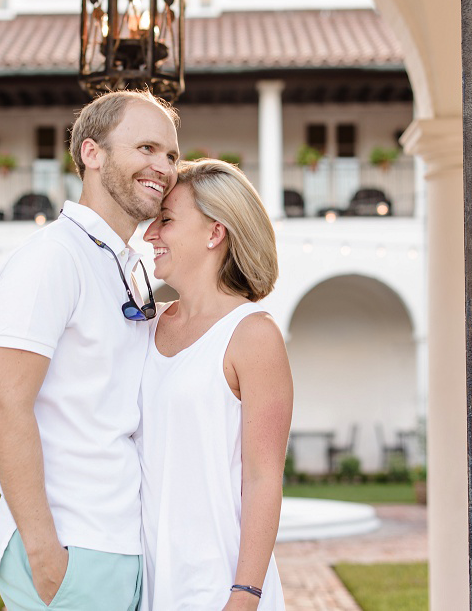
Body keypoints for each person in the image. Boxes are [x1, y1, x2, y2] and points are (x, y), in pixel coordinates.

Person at [0, 90, 180, 610]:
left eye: (172, 156)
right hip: (71, 547)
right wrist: (46, 553)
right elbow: (6, 404)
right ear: (92, 153)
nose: (163, 167)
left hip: (120, 540)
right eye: (147, 148)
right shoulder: (50, 260)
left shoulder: (127, 264)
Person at [138, 159, 293, 611]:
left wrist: (244, 596)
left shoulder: (253, 335)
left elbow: (264, 478)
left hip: (217, 585)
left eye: (165, 220)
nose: (150, 234)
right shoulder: (144, 328)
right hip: (144, 580)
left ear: (214, 233)